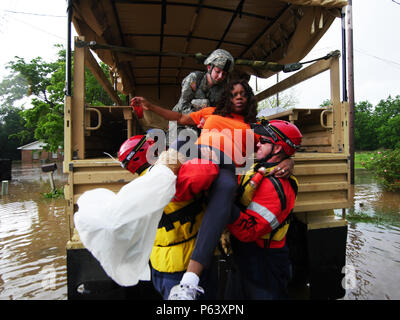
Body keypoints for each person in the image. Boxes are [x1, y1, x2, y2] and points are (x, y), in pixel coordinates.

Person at [131, 80, 294, 300]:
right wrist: (150, 106)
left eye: (243, 94)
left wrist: (289, 161)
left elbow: (276, 144)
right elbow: (179, 118)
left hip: (227, 166)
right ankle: (128, 204)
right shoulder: (211, 112)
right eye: (234, 93)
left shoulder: (253, 125)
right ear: (227, 97)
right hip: (196, 152)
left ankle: (190, 281)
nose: (239, 97)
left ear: (249, 99)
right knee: (179, 144)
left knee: (226, 192)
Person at [118, 135, 220, 299]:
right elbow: (207, 172)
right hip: (186, 267)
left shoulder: (139, 186)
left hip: (160, 267)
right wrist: (209, 158)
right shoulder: (170, 179)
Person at [225, 119, 302, 300]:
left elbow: (248, 231)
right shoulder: (258, 167)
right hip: (247, 255)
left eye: (263, 141)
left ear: (277, 148)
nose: (257, 143)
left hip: (265, 261)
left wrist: (222, 205)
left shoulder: (277, 186)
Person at [168, 49, 235, 144]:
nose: (220, 76)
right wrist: (201, 119)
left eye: (224, 74)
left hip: (203, 125)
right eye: (217, 71)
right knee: (180, 152)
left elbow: (220, 111)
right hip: (180, 122)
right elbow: (183, 106)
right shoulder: (194, 79)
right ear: (209, 67)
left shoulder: (224, 88)